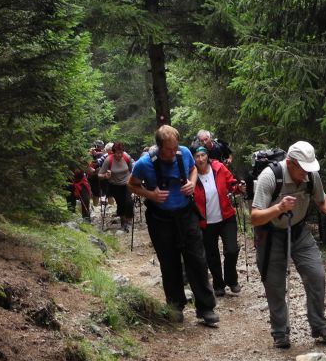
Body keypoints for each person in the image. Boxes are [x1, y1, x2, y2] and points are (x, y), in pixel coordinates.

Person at [250, 141, 326, 349]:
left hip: (299, 232)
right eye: (303, 168)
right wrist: (279, 208)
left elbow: (321, 200)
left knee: (316, 275)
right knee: (275, 284)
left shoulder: (311, 175)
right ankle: (280, 332)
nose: (307, 174)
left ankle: (319, 325)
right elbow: (255, 217)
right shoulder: (270, 176)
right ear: (290, 163)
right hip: (270, 235)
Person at [128, 125, 219, 327]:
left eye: (175, 147)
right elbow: (132, 184)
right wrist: (151, 194)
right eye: (169, 149)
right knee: (169, 263)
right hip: (160, 219)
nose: (172, 152)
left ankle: (206, 308)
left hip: (186, 214)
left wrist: (192, 183)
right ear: (159, 147)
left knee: (197, 259)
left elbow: (193, 169)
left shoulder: (184, 153)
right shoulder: (144, 164)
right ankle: (175, 306)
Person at [192, 146, 243, 296]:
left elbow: (231, 183)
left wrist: (239, 187)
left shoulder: (219, 167)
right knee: (211, 255)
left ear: (207, 156)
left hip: (226, 217)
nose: (200, 159)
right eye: (197, 156)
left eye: (203, 155)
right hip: (206, 223)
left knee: (232, 249)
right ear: (193, 159)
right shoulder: (192, 174)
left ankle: (232, 280)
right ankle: (218, 284)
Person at [98, 142, 134, 233]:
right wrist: (105, 176)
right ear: (113, 152)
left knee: (129, 202)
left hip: (126, 183)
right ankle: (123, 222)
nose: (119, 155)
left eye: (121, 152)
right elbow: (99, 175)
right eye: (117, 153)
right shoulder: (108, 160)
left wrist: (132, 178)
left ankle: (129, 222)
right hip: (114, 185)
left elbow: (131, 169)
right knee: (121, 203)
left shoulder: (126, 157)